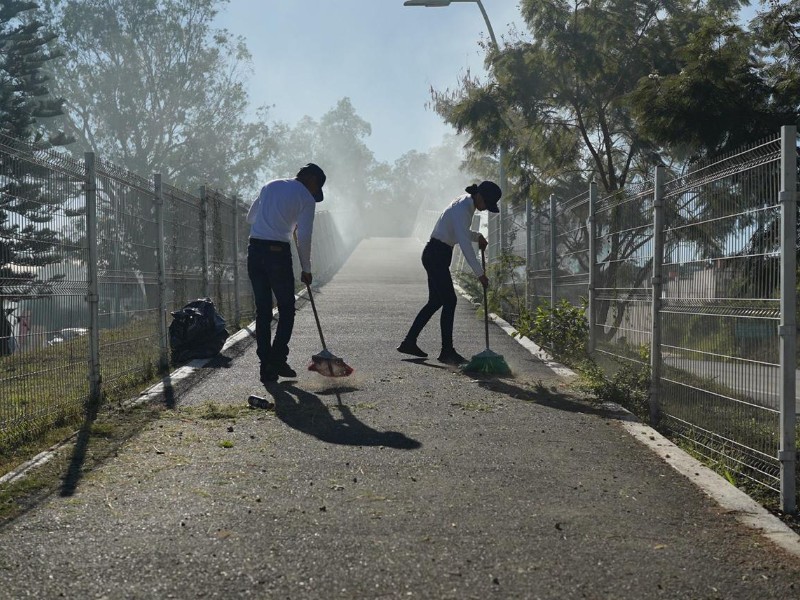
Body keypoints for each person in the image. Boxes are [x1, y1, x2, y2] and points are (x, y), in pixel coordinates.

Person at [397, 180, 502, 365]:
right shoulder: (463, 209)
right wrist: (480, 274)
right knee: (450, 300)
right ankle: (447, 351)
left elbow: (459, 232)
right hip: (436, 254)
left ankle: (409, 342)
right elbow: (464, 244)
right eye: (487, 204)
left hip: (437, 253)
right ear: (480, 196)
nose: (485, 209)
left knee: (436, 301)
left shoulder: (465, 203)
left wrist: (477, 236)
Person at [247, 163, 326, 383]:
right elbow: (305, 236)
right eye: (316, 187)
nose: (314, 193)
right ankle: (278, 358)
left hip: (254, 251)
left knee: (263, 311)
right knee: (287, 309)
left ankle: (266, 365)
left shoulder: (270, 185)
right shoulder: (306, 199)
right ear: (311, 179)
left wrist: (273, 218)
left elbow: (250, 218)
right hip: (277, 254)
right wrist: (306, 269)